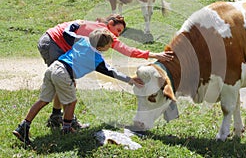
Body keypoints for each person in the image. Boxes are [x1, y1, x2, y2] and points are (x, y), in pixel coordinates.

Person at [37, 14, 173, 130]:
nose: (117, 35)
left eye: (120, 33)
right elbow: (127, 50)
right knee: (65, 82)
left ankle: (56, 116)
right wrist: (154, 55)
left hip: (49, 39)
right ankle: (66, 121)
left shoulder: (98, 29)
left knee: (63, 82)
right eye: (118, 30)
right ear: (111, 23)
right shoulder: (103, 33)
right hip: (54, 43)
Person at [13, 28, 144, 145]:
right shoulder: (96, 59)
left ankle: (23, 126)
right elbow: (112, 72)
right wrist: (130, 80)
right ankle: (67, 129)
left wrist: (75, 25)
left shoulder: (82, 40)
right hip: (64, 73)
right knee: (72, 102)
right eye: (110, 45)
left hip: (53, 67)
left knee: (44, 100)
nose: (111, 46)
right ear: (102, 47)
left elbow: (66, 33)